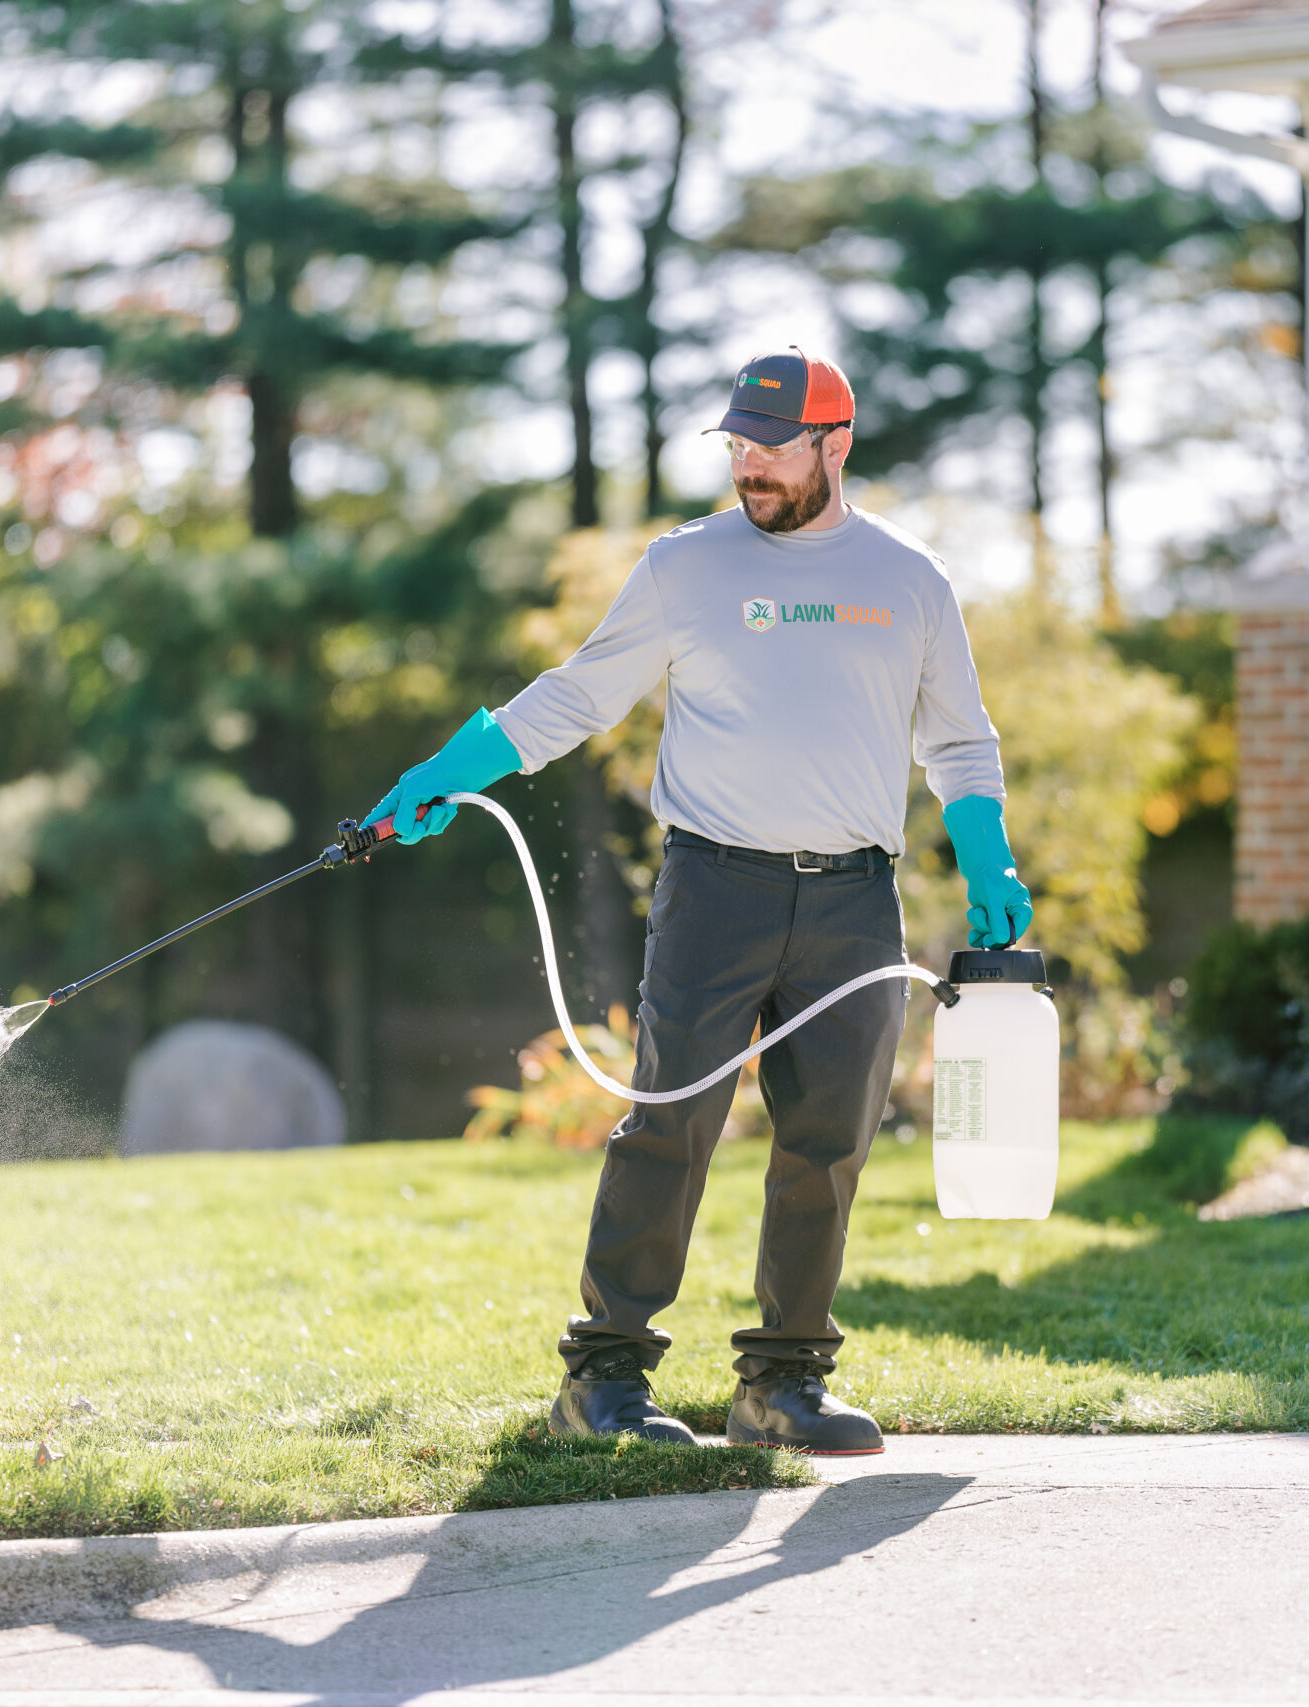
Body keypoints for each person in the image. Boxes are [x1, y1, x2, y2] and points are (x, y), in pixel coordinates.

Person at [365, 347, 1032, 1456]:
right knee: (670, 1122)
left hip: (855, 901)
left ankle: (783, 1386)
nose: (751, 468)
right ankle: (605, 1377)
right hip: (714, 885)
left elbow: (957, 738)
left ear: (836, 443)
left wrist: (986, 855)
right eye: (737, 446)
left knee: (828, 1141)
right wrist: (451, 770)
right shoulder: (687, 567)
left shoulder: (909, 580)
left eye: (773, 448)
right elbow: (577, 694)